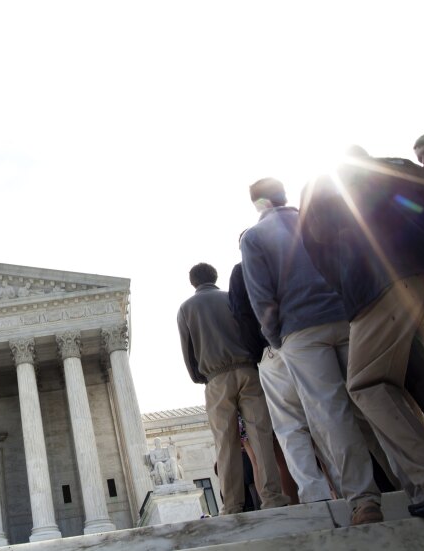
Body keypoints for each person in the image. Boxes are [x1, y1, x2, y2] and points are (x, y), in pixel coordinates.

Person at [301, 151, 424, 519]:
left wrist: (348, 291)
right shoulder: (403, 167)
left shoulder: (320, 185)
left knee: (367, 383)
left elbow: (318, 239)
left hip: (380, 286)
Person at [242, 177, 390, 525]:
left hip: (300, 332)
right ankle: (415, 482)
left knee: (330, 414)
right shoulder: (318, 220)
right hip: (349, 318)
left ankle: (365, 501)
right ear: (284, 195)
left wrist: (277, 339)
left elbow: (261, 298)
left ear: (258, 204)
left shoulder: (254, 237)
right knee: (378, 402)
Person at [176, 263, 289, 515]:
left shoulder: (186, 308)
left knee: (225, 442)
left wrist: (200, 377)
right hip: (249, 369)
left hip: (216, 377)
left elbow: (188, 350)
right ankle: (273, 496)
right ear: (215, 277)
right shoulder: (230, 297)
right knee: (261, 436)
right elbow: (250, 327)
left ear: (193, 282)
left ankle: (233, 504)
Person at [228, 258, 329, 504]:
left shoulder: (242, 272)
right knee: (324, 416)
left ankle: (312, 496)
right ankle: (344, 489)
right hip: (306, 342)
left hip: (271, 352)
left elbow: (242, 315)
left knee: (288, 431)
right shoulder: (289, 261)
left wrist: (259, 352)